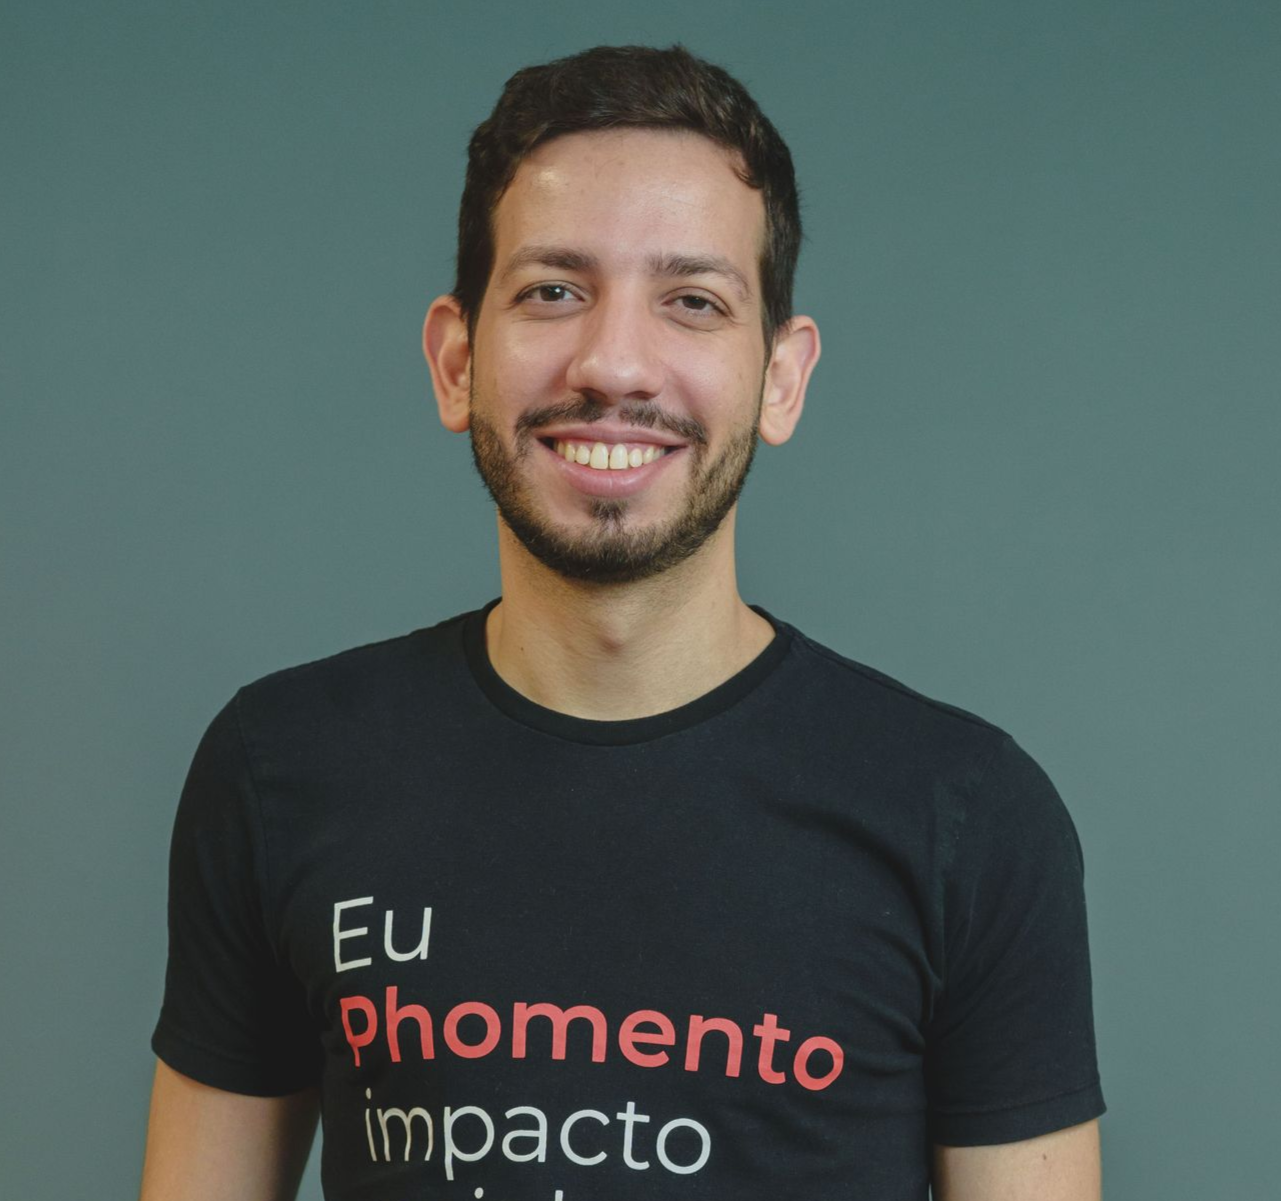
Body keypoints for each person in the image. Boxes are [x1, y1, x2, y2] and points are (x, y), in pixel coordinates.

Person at [139, 44, 1104, 1201]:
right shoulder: (280, 767)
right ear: (456, 361)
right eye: (554, 290)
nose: (614, 360)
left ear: (780, 380)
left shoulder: (969, 817)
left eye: (692, 301)